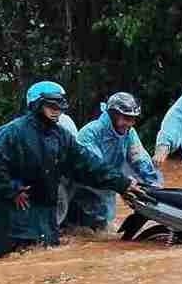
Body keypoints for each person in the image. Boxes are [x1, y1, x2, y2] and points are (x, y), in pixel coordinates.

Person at [0, 81, 143, 260]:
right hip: (4, 215)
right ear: (36, 105)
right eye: (51, 106)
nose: (57, 111)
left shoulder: (61, 136)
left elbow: (88, 164)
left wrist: (122, 183)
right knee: (3, 263)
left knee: (44, 260)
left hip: (40, 212)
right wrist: (12, 190)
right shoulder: (13, 132)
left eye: (60, 106)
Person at [63, 91, 161, 231]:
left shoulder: (129, 132)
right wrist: (123, 185)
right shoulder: (90, 133)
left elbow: (140, 159)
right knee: (83, 232)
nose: (130, 123)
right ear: (113, 115)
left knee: (103, 229)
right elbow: (95, 168)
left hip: (110, 188)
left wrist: (155, 187)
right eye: (126, 118)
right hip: (84, 191)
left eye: (133, 119)